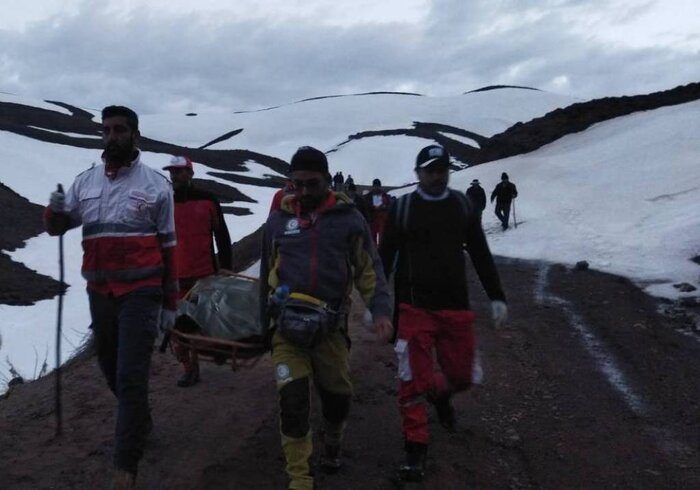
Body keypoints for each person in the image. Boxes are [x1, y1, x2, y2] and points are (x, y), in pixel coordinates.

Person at [44, 105, 177, 489]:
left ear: (135, 135)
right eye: (106, 130)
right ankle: (140, 420)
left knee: (131, 374)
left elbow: (169, 247)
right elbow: (58, 227)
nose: (112, 136)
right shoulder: (85, 182)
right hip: (100, 291)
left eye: (120, 129)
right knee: (109, 367)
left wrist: (171, 303)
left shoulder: (156, 185)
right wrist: (53, 212)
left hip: (143, 290)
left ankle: (125, 468)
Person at [260, 146, 393, 490]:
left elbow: (369, 268)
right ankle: (300, 478)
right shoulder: (278, 220)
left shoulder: (349, 219)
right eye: (297, 184)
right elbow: (265, 272)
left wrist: (380, 309)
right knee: (292, 400)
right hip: (286, 330)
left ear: (327, 180)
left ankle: (332, 441)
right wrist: (262, 322)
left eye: (312, 183)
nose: (304, 192)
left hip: (330, 329)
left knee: (337, 397)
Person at [379, 144, 508, 483]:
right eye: (430, 170)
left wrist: (497, 296)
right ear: (418, 173)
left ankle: (439, 393)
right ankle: (415, 450)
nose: (437, 175)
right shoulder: (403, 208)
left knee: (462, 377)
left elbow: (479, 251)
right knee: (410, 383)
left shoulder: (462, 206)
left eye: (442, 169)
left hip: (455, 307)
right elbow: (385, 256)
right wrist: (378, 304)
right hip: (413, 307)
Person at [163, 155, 233, 387]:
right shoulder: (165, 203)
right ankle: (190, 368)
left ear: (190, 173)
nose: (175, 175)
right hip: (175, 275)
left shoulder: (208, 199)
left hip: (205, 274)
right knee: (179, 327)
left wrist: (226, 267)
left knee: (207, 320)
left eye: (180, 171)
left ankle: (217, 348)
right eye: (172, 171)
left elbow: (221, 235)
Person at [364, 178, 391, 244]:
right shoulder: (368, 196)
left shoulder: (384, 195)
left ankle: (381, 251)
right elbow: (365, 206)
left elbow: (389, 206)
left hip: (382, 219)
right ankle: (374, 251)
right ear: (373, 186)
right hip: (372, 219)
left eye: (377, 186)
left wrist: (384, 207)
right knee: (372, 238)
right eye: (375, 186)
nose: (376, 188)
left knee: (382, 237)